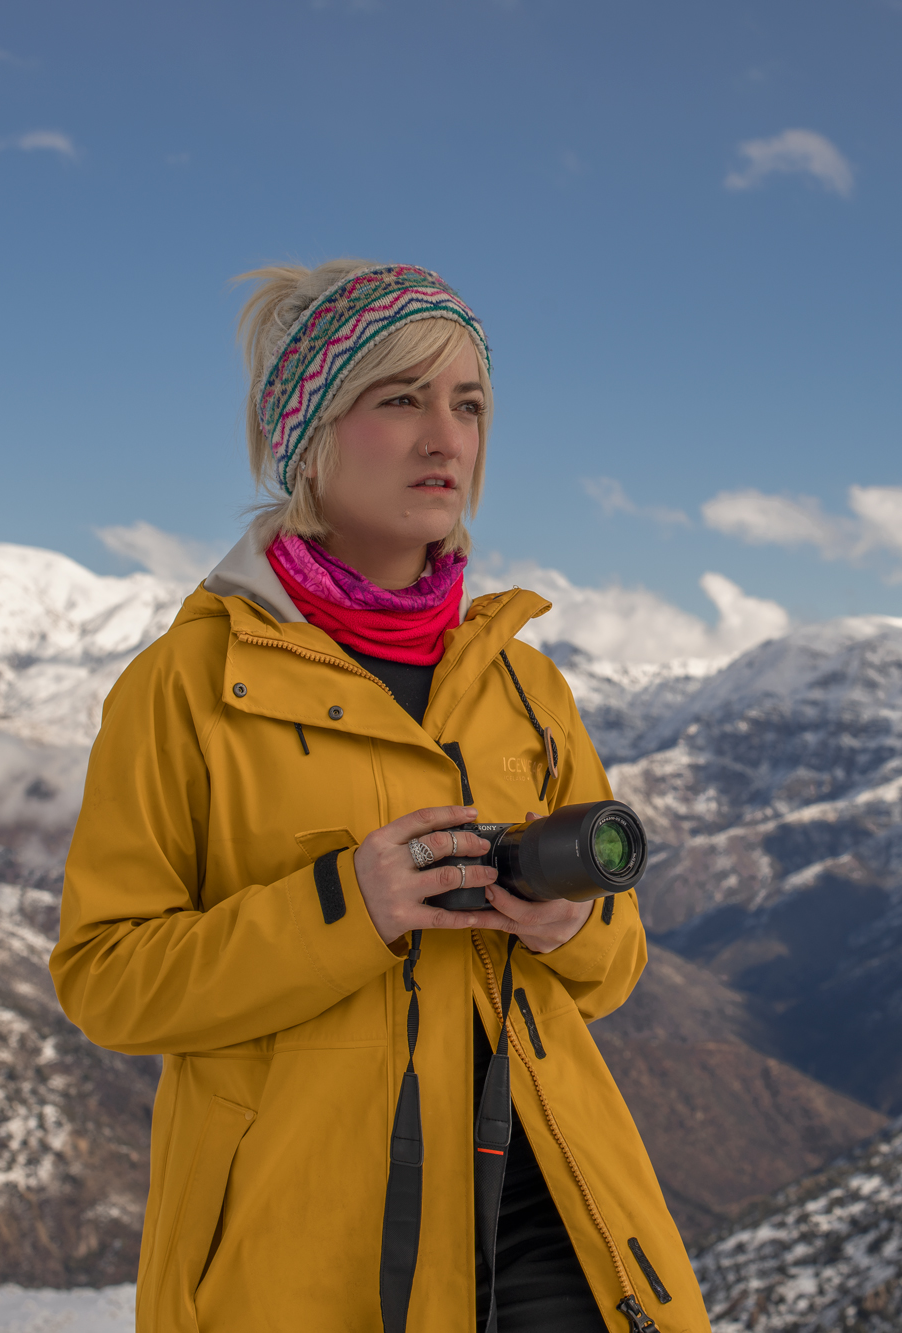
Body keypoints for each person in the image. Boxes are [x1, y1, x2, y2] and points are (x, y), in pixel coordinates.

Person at [50, 261, 703, 1332]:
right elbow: (107, 978)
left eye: (468, 404)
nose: (444, 437)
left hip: (556, 1214)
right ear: (306, 435)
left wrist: (567, 922)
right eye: (398, 398)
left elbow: (612, 966)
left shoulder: (523, 683)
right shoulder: (187, 685)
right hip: (310, 1254)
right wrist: (345, 906)